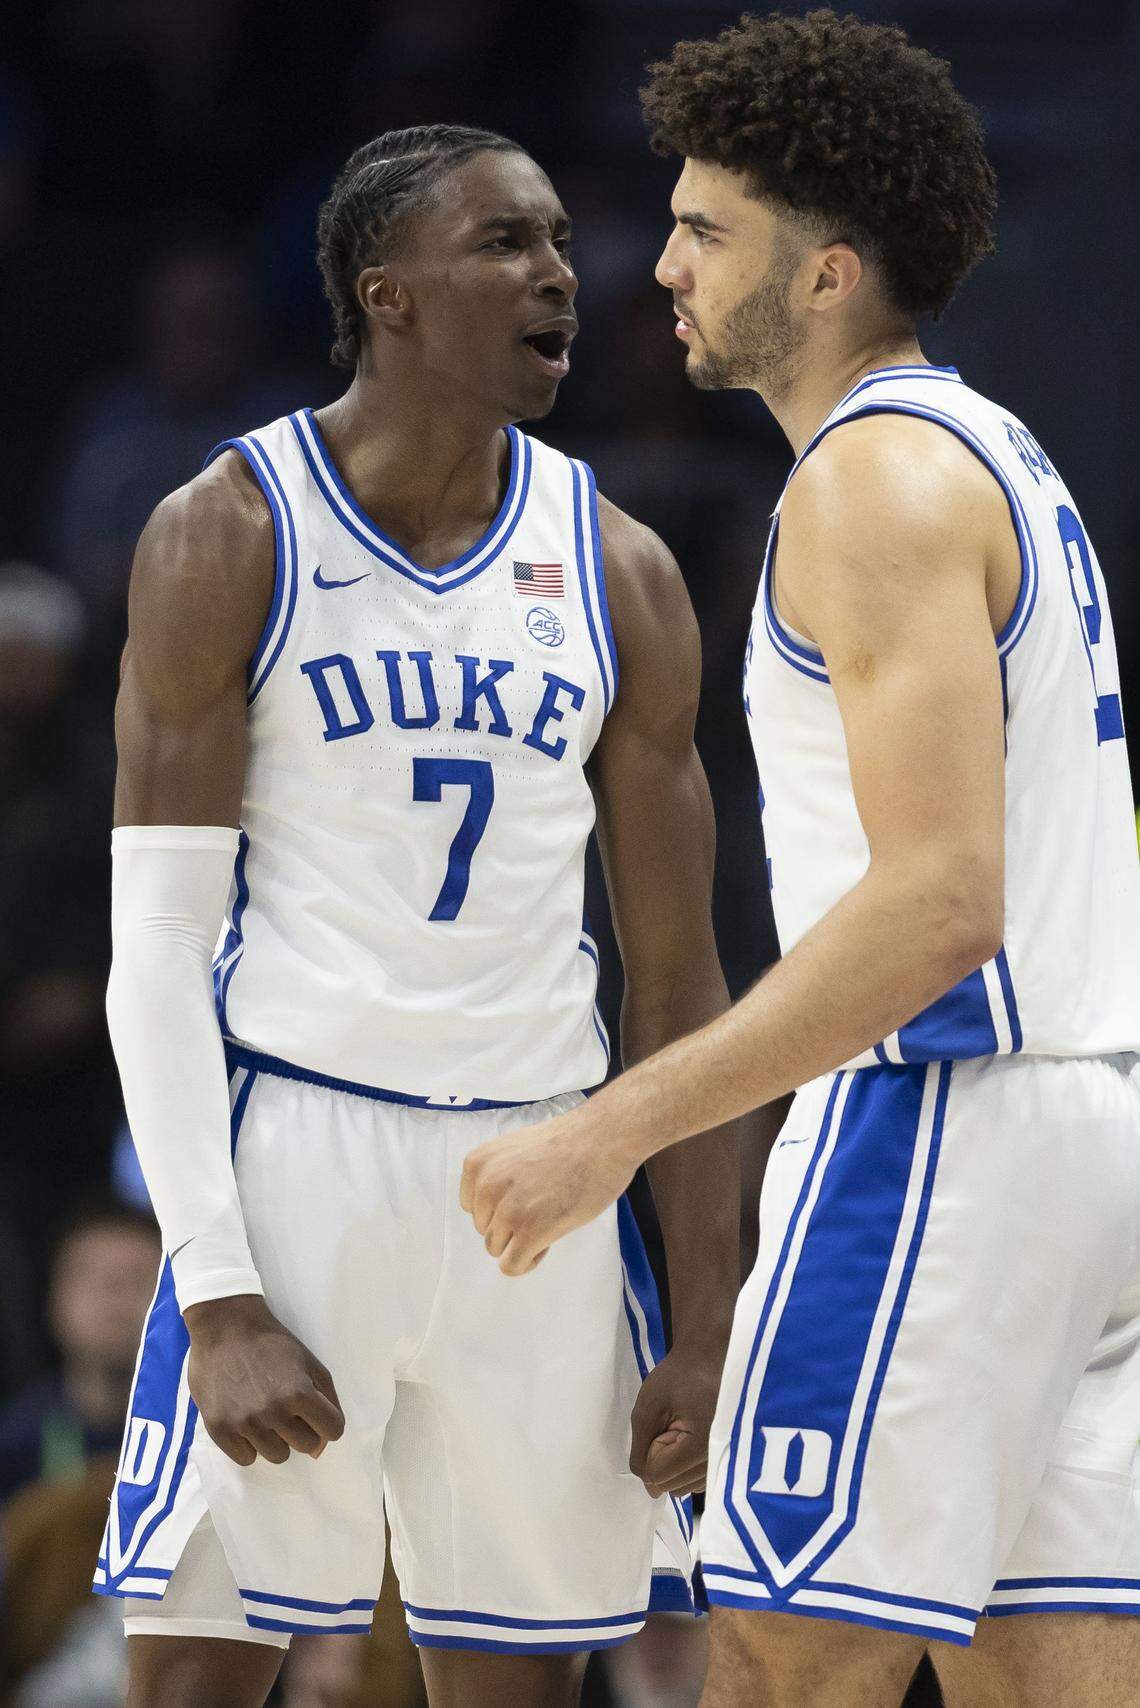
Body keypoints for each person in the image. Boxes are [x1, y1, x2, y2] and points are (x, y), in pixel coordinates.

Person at [459, 14, 1140, 1708]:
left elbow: (936, 904)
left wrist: (614, 1130)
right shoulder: (993, 453)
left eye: (707, 229)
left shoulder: (873, 487)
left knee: (770, 1653)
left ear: (826, 273)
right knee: (1045, 1669)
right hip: (1088, 1133)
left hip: (943, 1128)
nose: (664, 261)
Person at [93, 125, 753, 1708]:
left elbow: (678, 983)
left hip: (543, 1173)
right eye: (505, 244)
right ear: (385, 295)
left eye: (556, 242)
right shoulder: (228, 532)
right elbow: (158, 955)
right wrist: (216, 1285)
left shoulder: (622, 568)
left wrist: (711, 1312)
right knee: (194, 1674)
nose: (560, 274)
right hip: (296, 1158)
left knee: (522, 1684)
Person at [0, 1199, 160, 1506]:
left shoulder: (203, 1442)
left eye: (138, 1279)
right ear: (54, 1298)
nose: (114, 1297)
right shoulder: (16, 1444)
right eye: (91, 1276)